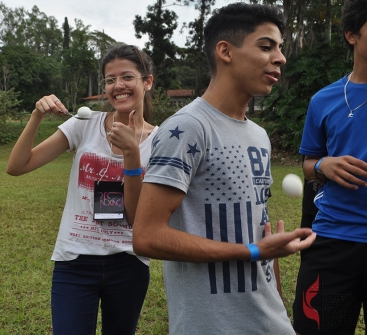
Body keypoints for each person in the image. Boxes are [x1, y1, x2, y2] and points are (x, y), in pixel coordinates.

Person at [132, 3, 316, 334]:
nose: (280, 58)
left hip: (267, 317)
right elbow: (146, 236)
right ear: (225, 51)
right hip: (213, 324)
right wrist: (252, 250)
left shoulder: (259, 135)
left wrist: (268, 261)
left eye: (279, 48)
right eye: (266, 46)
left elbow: (257, 228)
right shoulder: (188, 127)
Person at [6, 44, 158, 335]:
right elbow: (17, 166)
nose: (118, 86)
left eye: (127, 77)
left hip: (128, 263)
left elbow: (136, 217)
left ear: (147, 82)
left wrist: (131, 156)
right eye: (110, 80)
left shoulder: (160, 141)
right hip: (74, 261)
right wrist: (36, 115)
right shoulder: (84, 124)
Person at [292, 1, 367, 334]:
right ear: (351, 34)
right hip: (331, 241)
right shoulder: (323, 100)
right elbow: (308, 164)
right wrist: (324, 165)